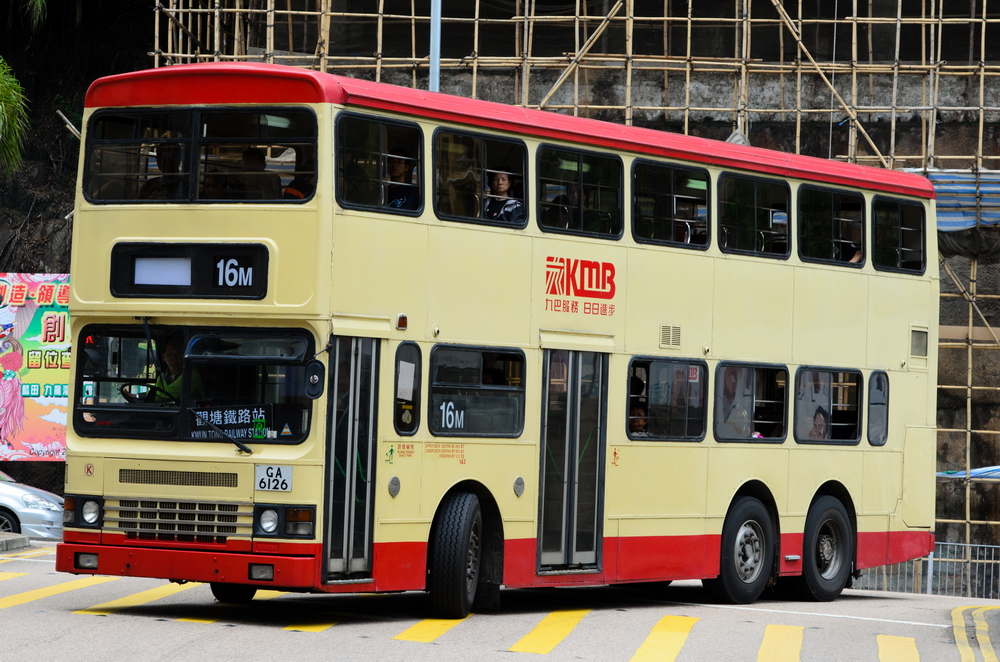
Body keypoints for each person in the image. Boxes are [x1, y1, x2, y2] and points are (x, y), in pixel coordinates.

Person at [716, 365, 751, 438]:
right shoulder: (715, 401)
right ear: (723, 377)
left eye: (736, 377)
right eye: (731, 376)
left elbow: (744, 433)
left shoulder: (743, 411)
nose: (734, 381)